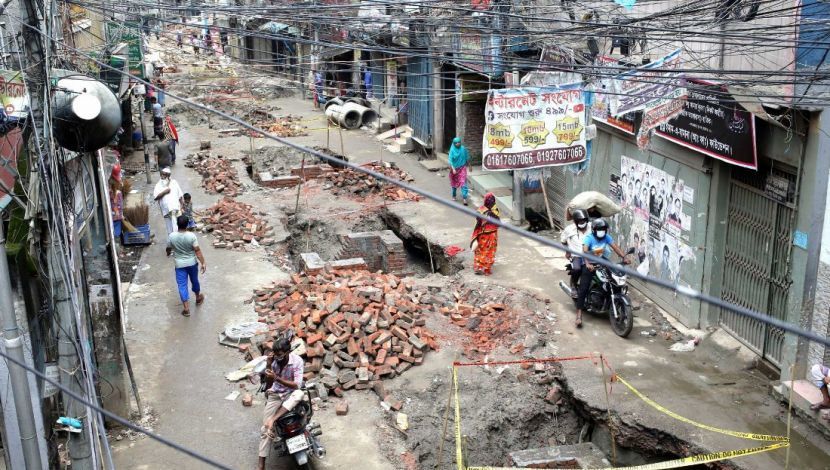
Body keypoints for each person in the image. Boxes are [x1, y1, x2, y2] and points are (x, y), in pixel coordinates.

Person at [258, 336, 305, 470]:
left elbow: (297, 385)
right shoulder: (272, 362)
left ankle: (274, 418)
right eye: (275, 354)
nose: (277, 357)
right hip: (276, 395)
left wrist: (277, 378)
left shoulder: (297, 361)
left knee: (300, 393)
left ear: (288, 351)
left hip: (291, 393)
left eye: (279, 354)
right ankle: (261, 463)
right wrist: (268, 366)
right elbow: (268, 386)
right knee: (265, 429)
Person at [574, 218, 628, 328]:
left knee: (613, 277)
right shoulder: (589, 238)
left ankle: (611, 299)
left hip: (601, 260)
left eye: (603, 229)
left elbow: (615, 247)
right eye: (600, 229)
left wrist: (624, 257)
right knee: (584, 287)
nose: (602, 231)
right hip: (589, 262)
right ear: (594, 230)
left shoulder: (606, 237)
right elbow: (584, 252)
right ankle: (579, 314)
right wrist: (588, 264)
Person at [166, 215, 206, 316]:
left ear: (177, 224)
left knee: (182, 285)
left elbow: (168, 248)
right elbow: (197, 250)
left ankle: (186, 308)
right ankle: (198, 298)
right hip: (192, 263)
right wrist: (203, 262)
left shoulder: (172, 236)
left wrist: (168, 252)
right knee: (194, 280)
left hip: (179, 265)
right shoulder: (191, 236)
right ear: (187, 224)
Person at [560, 209, 590, 297]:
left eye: (583, 220)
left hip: (590, 255)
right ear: (575, 221)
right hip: (576, 255)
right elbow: (563, 241)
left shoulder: (592, 227)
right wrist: (567, 252)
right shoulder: (569, 229)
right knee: (577, 269)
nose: (582, 222)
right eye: (579, 221)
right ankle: (573, 284)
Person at [470, 193, 500, 275]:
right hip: (492, 235)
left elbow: (478, 220)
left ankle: (478, 266)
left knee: (480, 249)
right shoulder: (495, 210)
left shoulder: (481, 210)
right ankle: (487, 269)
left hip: (482, 234)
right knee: (490, 251)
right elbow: (498, 223)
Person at [153, 167, 184, 236]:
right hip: (165, 209)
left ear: (168, 175)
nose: (162, 176)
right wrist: (164, 192)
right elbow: (155, 197)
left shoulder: (174, 182)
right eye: (162, 174)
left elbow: (180, 195)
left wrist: (182, 207)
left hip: (175, 208)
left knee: (175, 225)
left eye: (164, 175)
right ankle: (171, 241)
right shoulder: (158, 185)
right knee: (169, 227)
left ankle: (176, 240)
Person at [448, 137, 470, 205]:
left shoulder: (463, 149)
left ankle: (464, 198)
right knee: (454, 183)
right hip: (454, 169)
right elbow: (450, 160)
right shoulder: (452, 150)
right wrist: (453, 169)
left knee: (463, 183)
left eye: (459, 142)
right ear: (454, 144)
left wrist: (470, 165)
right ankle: (454, 195)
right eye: (456, 143)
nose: (457, 144)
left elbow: (467, 157)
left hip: (462, 168)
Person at [109, 166, 124, 239]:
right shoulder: (118, 193)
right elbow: (119, 206)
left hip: (112, 217)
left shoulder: (109, 192)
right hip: (116, 217)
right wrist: (121, 215)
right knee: (117, 234)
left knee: (114, 234)